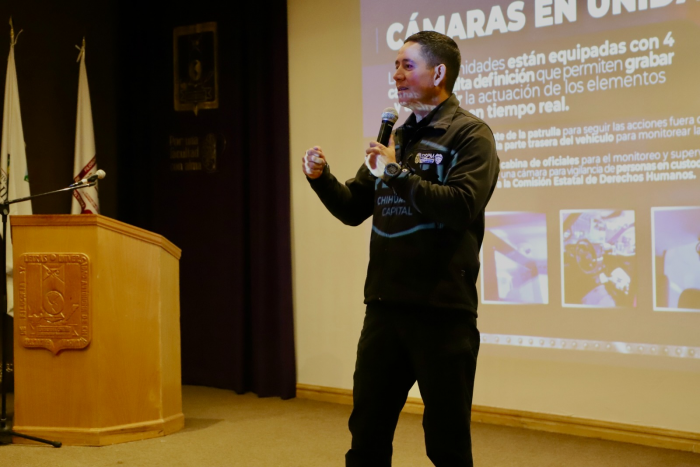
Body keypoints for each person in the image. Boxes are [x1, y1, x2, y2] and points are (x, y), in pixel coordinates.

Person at [302, 31, 500, 467]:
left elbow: (460, 207)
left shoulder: (470, 135)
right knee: (367, 436)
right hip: (385, 308)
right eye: (395, 65)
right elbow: (353, 208)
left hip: (442, 312)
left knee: (446, 445)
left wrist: (393, 172)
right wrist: (321, 178)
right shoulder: (398, 136)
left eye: (407, 65)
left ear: (439, 72)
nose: (396, 75)